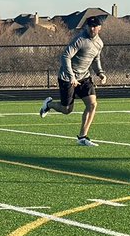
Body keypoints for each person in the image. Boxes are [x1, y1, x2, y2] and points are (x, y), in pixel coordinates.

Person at [39, 14, 107, 145]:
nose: (92, 29)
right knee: (67, 110)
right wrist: (71, 77)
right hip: (67, 78)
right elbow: (65, 57)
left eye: (94, 26)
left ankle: (83, 137)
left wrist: (100, 73)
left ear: (99, 27)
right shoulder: (79, 40)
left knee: (92, 104)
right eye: (90, 26)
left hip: (84, 78)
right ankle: (49, 104)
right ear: (86, 26)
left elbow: (96, 58)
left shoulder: (99, 43)